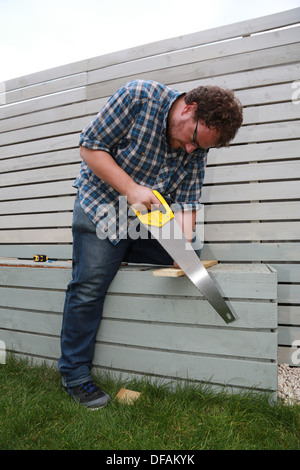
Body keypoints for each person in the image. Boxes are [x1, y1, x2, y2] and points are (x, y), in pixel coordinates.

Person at [58, 79, 243, 409]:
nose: (191, 151)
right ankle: (75, 376)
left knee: (192, 255)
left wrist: (183, 247)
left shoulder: (196, 148)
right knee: (88, 287)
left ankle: (124, 252)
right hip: (102, 209)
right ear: (189, 109)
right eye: (193, 140)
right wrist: (130, 189)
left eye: (201, 149)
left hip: (147, 219)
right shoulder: (138, 96)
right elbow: (89, 148)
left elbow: (187, 202)